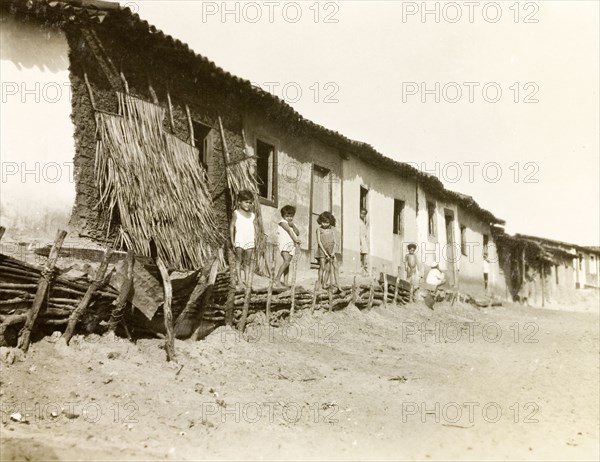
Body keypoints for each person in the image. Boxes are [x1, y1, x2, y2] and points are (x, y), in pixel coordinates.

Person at [230, 190, 259, 289]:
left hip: (249, 239)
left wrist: (256, 238)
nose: (248, 205)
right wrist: (232, 240)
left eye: (250, 202)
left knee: (247, 261)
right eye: (246, 202)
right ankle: (240, 280)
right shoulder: (236, 213)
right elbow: (232, 226)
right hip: (240, 238)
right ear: (239, 202)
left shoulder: (252, 215)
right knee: (239, 260)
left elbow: (255, 227)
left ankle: (247, 281)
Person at [274, 205, 301, 287]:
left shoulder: (291, 224)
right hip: (284, 244)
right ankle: (277, 279)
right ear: (283, 216)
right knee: (286, 261)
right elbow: (289, 231)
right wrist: (296, 240)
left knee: (288, 263)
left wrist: (293, 225)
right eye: (287, 216)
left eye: (291, 216)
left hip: (291, 245)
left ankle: (285, 282)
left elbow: (297, 233)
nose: (289, 218)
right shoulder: (282, 222)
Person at [316, 211, 339, 291]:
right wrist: (325, 253)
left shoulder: (332, 230)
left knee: (329, 268)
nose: (325, 224)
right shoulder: (319, 229)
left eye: (327, 223)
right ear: (320, 221)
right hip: (322, 250)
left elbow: (335, 242)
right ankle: (319, 283)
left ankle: (324, 283)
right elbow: (319, 242)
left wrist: (333, 252)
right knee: (322, 267)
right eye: (323, 222)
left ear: (330, 222)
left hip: (330, 250)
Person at [359, 208, 369, 275]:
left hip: (364, 237)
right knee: (361, 252)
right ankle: (361, 266)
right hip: (360, 237)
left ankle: (363, 266)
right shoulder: (358, 220)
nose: (363, 215)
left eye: (364, 214)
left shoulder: (364, 221)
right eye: (362, 213)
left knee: (365, 252)